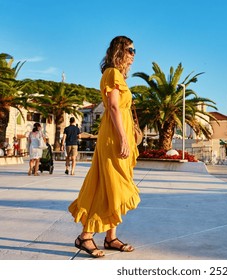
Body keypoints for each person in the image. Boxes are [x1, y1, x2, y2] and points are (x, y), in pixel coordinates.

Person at [68, 36, 140, 258]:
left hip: (119, 135)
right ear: (119, 50)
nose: (134, 54)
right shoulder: (112, 73)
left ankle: (110, 237)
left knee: (113, 185)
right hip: (115, 137)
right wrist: (123, 138)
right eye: (130, 49)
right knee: (109, 185)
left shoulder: (119, 76)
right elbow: (114, 108)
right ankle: (86, 236)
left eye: (135, 50)